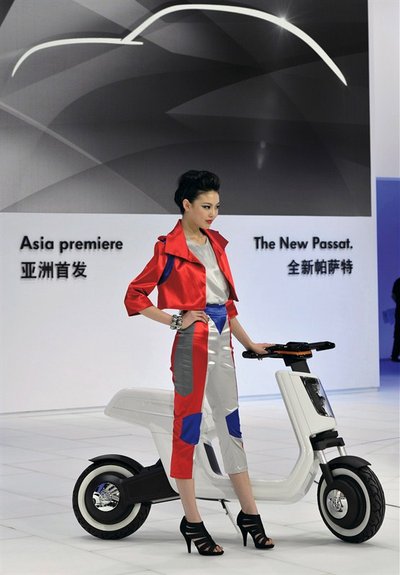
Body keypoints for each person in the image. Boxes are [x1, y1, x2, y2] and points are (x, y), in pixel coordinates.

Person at [124, 170, 274, 556]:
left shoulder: (216, 244)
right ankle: (192, 521)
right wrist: (176, 320)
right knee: (188, 429)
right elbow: (135, 296)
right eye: (206, 206)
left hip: (223, 342)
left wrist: (250, 343)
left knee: (231, 425)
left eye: (217, 207)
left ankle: (250, 515)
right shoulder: (168, 249)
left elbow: (227, 304)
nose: (213, 213)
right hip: (192, 345)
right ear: (186, 205)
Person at [391, 277, 400, 362]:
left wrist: (398, 302)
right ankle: (394, 355)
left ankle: (394, 355)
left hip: (399, 310)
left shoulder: (397, 281)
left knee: (398, 333)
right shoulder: (398, 281)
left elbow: (393, 296)